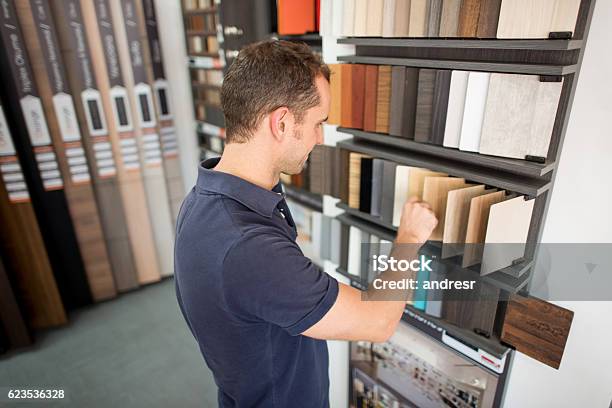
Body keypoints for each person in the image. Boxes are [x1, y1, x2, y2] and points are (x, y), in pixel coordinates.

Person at [174, 40, 437, 408]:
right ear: (281, 123)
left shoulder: (204, 200)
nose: (319, 138)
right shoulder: (247, 247)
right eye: (318, 123)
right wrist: (409, 238)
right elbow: (378, 322)